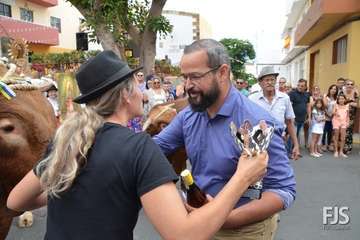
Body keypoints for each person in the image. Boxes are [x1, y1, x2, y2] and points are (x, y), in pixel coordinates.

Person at [7, 50, 268, 240]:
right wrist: (243, 178)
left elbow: (16, 200)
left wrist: (68, 193)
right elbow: (185, 234)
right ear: (124, 94)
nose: (143, 93)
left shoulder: (65, 140)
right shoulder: (139, 148)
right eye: (137, 85)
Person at [153, 39, 296, 240]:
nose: (187, 86)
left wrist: (225, 218)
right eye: (185, 77)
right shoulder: (189, 116)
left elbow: (283, 190)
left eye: (195, 76)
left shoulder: (257, 124)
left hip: (243, 231)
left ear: (222, 72)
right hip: (197, 223)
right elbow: (154, 148)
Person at [249, 66, 300, 160]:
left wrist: (296, 145)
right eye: (266, 80)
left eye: (272, 79)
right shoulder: (252, 99)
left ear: (275, 81)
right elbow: (247, 122)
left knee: (282, 171)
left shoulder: (284, 98)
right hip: (258, 142)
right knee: (259, 172)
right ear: (260, 83)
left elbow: (289, 122)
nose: (270, 82)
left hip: (279, 141)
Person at [288, 79, 311, 149]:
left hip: (302, 118)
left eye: (302, 86)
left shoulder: (307, 94)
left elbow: (308, 106)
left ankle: (294, 149)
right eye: (298, 85)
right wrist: (292, 118)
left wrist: (309, 117)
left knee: (296, 134)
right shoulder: (292, 93)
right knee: (292, 135)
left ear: (305, 87)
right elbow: (289, 106)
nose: (300, 87)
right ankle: (290, 151)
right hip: (294, 119)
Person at [343, 79, 359, 154]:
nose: (350, 85)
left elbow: (357, 105)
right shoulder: (342, 92)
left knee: (349, 131)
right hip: (342, 115)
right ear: (345, 85)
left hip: (351, 116)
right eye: (348, 84)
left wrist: (347, 102)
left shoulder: (355, 94)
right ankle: (341, 146)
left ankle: (348, 147)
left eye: (352, 84)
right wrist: (351, 102)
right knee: (342, 130)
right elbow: (339, 103)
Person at [332, 93, 350, 158]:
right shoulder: (335, 105)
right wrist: (336, 112)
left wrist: (348, 122)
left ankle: (341, 152)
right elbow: (333, 112)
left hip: (344, 122)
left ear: (345, 99)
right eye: (339, 99)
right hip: (336, 121)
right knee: (336, 137)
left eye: (342, 99)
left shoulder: (347, 106)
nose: (341, 100)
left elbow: (348, 116)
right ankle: (336, 151)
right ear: (338, 100)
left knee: (343, 138)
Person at [322, 84, 338, 151]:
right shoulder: (326, 96)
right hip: (325, 117)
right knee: (324, 131)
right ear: (329, 89)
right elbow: (324, 106)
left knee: (330, 132)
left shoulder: (336, 98)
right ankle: (323, 145)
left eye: (335, 89)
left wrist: (332, 115)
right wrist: (328, 114)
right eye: (332, 89)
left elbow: (336, 108)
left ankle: (329, 144)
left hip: (333, 118)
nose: (333, 90)